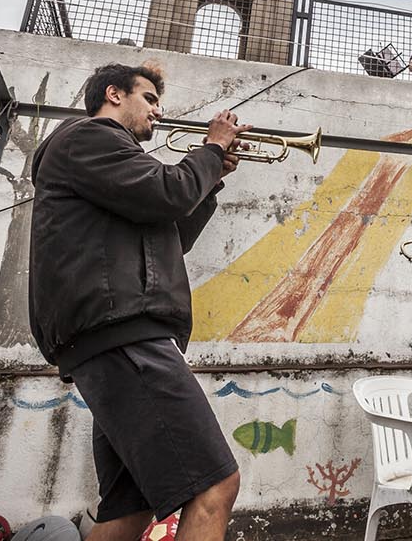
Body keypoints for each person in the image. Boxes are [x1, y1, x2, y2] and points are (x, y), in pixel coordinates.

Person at [29, 62, 250, 541]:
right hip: (123, 332)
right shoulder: (89, 137)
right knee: (216, 486)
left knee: (128, 509)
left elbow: (172, 234)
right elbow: (169, 194)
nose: (158, 110)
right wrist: (211, 147)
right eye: (148, 99)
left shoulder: (113, 164)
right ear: (113, 94)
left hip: (113, 336)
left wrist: (209, 178)